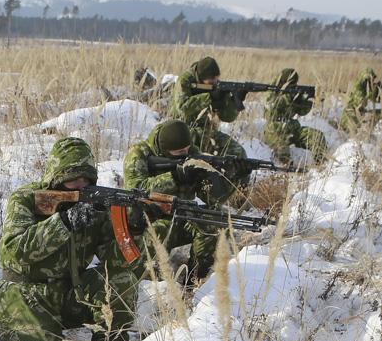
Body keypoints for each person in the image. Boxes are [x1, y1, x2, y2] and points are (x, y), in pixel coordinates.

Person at [0, 137, 144, 341]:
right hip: (24, 295)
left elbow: (120, 262)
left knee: (121, 283)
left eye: (86, 180)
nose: (80, 185)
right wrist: (64, 222)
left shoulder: (96, 205)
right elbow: (11, 253)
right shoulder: (26, 199)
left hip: (70, 294)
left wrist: (136, 227)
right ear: (56, 177)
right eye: (73, 179)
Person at [122, 119, 219, 284]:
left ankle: (195, 281)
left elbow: (210, 198)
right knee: (159, 231)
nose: (186, 154)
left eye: (188, 149)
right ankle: (156, 285)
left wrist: (223, 179)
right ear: (165, 151)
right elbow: (137, 190)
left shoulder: (191, 153)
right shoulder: (138, 155)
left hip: (181, 215)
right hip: (147, 220)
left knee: (210, 223)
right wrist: (174, 177)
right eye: (180, 151)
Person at [166, 55, 252, 200]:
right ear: (201, 77)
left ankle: (239, 197)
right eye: (212, 80)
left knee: (238, 153)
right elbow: (183, 107)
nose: (215, 83)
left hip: (206, 131)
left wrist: (234, 100)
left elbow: (227, 117)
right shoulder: (185, 80)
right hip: (183, 131)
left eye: (217, 79)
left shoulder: (215, 87)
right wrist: (209, 97)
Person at [262, 68, 328, 166]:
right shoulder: (271, 91)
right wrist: (288, 97)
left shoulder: (294, 91)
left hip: (292, 127)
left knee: (317, 136)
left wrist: (308, 99)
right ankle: (286, 172)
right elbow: (270, 108)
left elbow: (302, 111)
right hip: (274, 129)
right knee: (282, 149)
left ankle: (321, 165)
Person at [340, 67, 382, 134]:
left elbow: (374, 109)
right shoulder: (358, 88)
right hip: (349, 121)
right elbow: (362, 104)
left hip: (357, 121)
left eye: (373, 79)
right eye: (369, 80)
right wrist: (373, 94)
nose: (372, 81)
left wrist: (379, 92)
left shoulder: (366, 88)